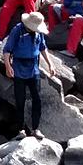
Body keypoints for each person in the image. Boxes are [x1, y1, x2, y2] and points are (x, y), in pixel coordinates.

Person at [4, 12, 56, 140]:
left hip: (33, 68)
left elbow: (43, 48)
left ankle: (35, 129)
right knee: (20, 100)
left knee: (37, 99)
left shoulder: (38, 33)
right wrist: (8, 66)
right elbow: (7, 50)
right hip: (19, 67)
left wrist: (50, 64)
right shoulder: (17, 30)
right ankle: (20, 130)